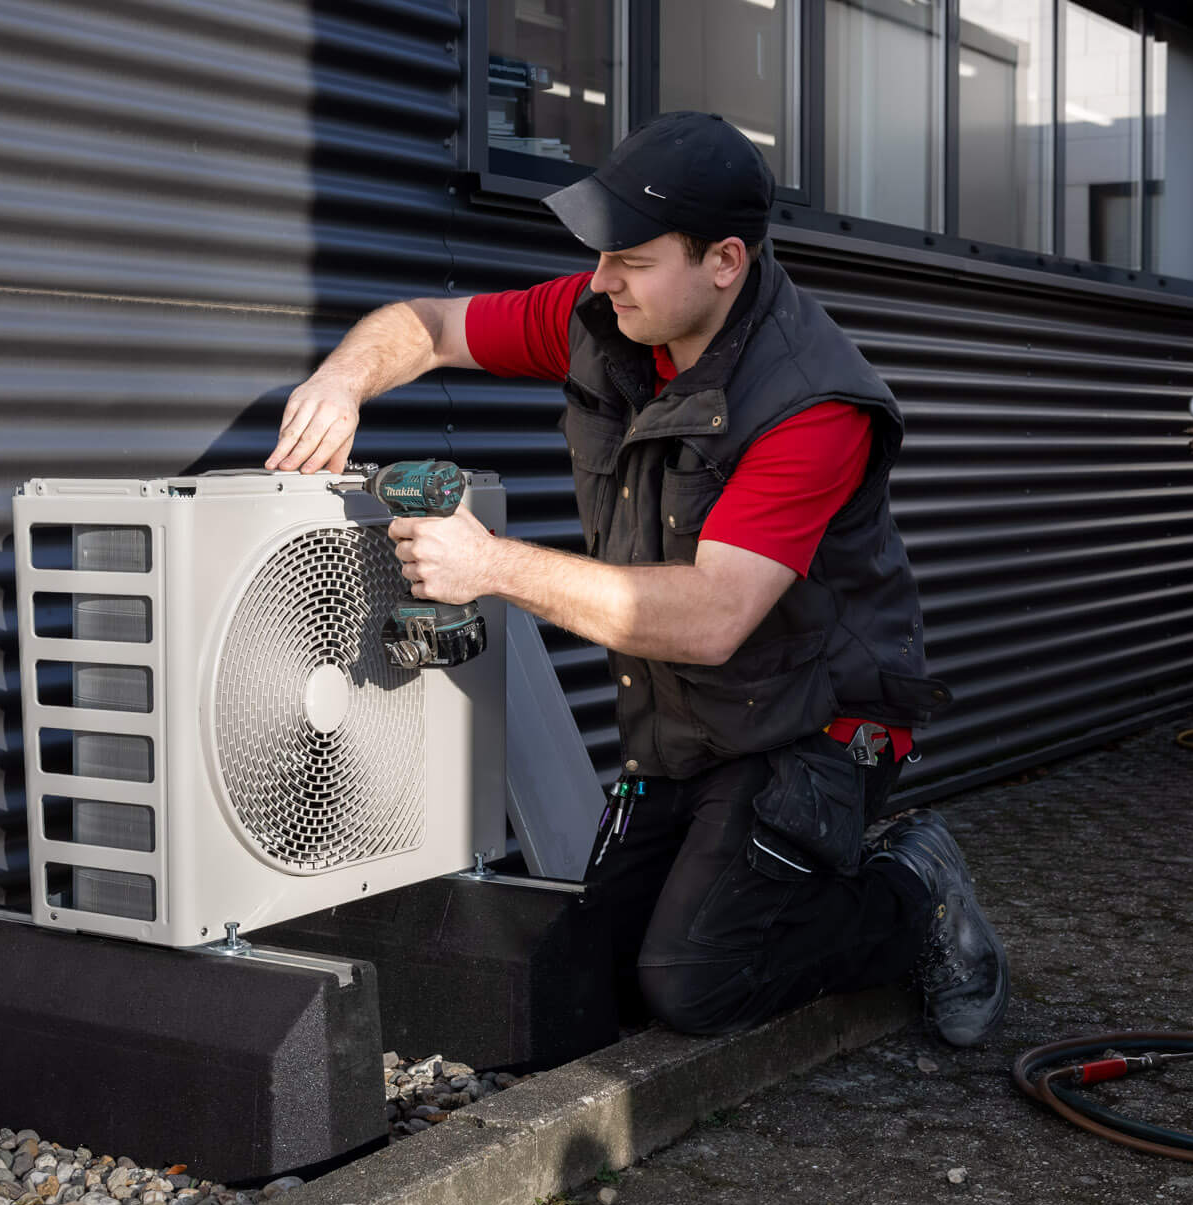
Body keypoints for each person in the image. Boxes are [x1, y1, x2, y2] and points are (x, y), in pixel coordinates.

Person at [266, 111, 1009, 1046]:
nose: (601, 278)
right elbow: (432, 325)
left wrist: (489, 565)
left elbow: (714, 617)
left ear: (725, 261)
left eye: (632, 259)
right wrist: (343, 380)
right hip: (690, 721)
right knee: (593, 983)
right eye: (602, 254)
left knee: (692, 981)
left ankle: (913, 889)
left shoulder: (810, 403)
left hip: (814, 726)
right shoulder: (607, 319)